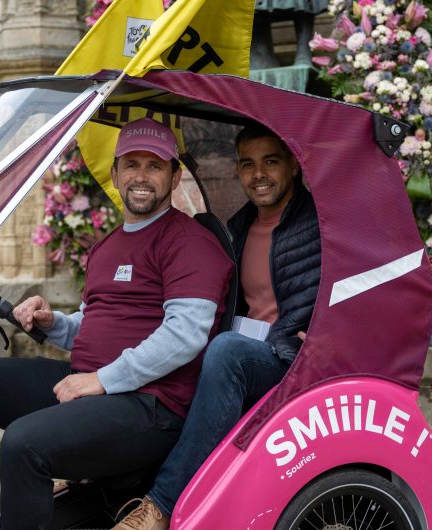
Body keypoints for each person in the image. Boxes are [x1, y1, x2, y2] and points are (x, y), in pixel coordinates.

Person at [0, 118, 233, 529]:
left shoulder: (190, 242)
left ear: (174, 177)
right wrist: (54, 324)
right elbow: (97, 323)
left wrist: (102, 379)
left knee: (24, 444)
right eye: (132, 164)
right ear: (116, 173)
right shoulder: (108, 244)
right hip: (93, 384)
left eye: (155, 166)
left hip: (151, 406)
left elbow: (184, 335)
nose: (142, 176)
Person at [114, 124, 321, 530]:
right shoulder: (239, 228)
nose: (258, 174)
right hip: (250, 353)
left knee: (225, 352)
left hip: (293, 361)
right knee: (182, 352)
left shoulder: (322, 223)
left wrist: (329, 334)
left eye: (271, 162)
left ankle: (160, 504)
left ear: (294, 165)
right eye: (247, 164)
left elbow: (356, 285)